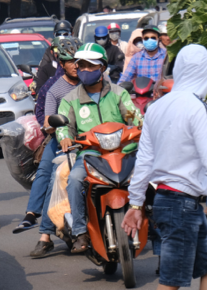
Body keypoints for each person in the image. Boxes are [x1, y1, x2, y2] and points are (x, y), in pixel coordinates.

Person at [122, 45, 207, 290]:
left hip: (168, 202)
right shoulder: (200, 108)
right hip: (181, 206)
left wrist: (136, 203)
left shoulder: (156, 108)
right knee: (171, 283)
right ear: (205, 73)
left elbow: (143, 160)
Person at [56, 44, 143, 252]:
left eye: (90, 65)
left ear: (102, 67)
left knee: (149, 177)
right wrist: (65, 138)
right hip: (90, 154)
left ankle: (155, 224)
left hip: (123, 152)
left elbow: (133, 117)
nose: (85, 70)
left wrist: (141, 126)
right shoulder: (70, 100)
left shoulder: (118, 94)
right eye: (81, 66)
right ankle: (79, 232)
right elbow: (63, 127)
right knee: (75, 180)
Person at [22, 38, 81, 255]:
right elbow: (46, 121)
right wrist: (59, 128)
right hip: (62, 139)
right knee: (51, 175)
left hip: (92, 140)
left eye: (79, 61)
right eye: (70, 61)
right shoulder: (54, 89)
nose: (76, 65)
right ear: (61, 62)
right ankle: (44, 232)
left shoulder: (93, 81)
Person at [34, 20, 73, 92]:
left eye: (65, 34)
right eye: (59, 34)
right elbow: (42, 70)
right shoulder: (51, 79)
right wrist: (36, 82)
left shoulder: (77, 49)